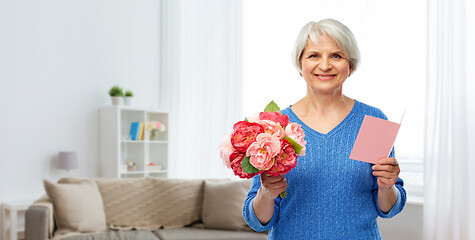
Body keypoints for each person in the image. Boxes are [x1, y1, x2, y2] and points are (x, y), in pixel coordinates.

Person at [243, 19, 406, 239]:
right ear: (300, 65)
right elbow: (258, 221)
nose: (325, 65)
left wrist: (387, 187)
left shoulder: (373, 120)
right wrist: (266, 193)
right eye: (314, 55)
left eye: (336, 56)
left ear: (351, 66)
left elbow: (388, 209)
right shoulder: (276, 127)